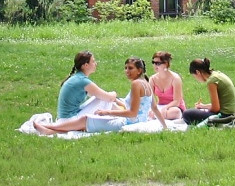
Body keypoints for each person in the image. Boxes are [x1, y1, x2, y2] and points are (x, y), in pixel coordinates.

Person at [35, 56, 167, 135]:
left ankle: (50, 128)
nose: (127, 71)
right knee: (85, 122)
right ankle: (52, 129)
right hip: (137, 121)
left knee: (85, 120)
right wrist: (165, 127)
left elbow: (132, 113)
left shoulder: (136, 84)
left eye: (130, 68)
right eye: (126, 67)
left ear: (139, 70)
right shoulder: (147, 83)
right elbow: (154, 108)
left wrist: (106, 112)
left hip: (126, 122)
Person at [54, 51, 121, 121]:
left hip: (65, 118)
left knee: (102, 98)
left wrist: (115, 100)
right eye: (93, 61)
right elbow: (109, 98)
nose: (96, 64)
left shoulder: (77, 78)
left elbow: (98, 95)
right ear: (86, 65)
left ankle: (125, 114)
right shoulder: (82, 81)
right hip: (69, 120)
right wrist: (114, 93)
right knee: (104, 99)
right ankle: (125, 116)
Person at [182, 57, 235, 126]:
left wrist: (204, 108)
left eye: (195, 76)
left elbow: (215, 109)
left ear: (198, 72)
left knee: (187, 114)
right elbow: (219, 105)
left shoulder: (212, 81)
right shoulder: (216, 75)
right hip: (231, 114)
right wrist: (203, 106)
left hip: (224, 116)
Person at [148, 51, 185, 120]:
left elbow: (177, 101)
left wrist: (166, 107)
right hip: (160, 106)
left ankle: (157, 116)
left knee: (175, 112)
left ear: (166, 64)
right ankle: (158, 115)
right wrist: (153, 108)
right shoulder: (152, 79)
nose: (155, 65)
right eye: (153, 63)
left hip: (174, 107)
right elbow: (151, 99)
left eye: (158, 63)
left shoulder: (175, 78)